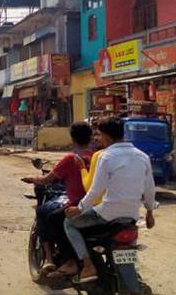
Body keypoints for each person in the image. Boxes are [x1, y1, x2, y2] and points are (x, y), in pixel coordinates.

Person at [62, 118, 157, 283]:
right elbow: (149, 188)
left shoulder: (106, 157)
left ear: (106, 136)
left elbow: (96, 189)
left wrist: (79, 208)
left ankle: (87, 264)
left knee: (69, 223)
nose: (98, 138)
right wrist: (149, 212)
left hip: (106, 214)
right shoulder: (142, 156)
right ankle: (133, 276)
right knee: (130, 244)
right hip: (132, 216)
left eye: (99, 134)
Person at [21, 122, 93, 275]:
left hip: (77, 205)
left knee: (44, 213)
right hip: (97, 205)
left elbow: (47, 179)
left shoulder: (70, 158)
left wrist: (32, 178)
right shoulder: (98, 157)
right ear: (91, 137)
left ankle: (56, 259)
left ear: (72, 138)